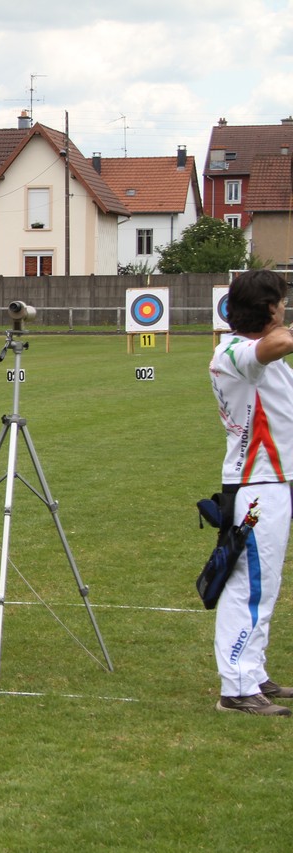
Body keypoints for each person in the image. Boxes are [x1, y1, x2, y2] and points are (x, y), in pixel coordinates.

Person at [207, 268, 293, 716]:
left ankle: (253, 674)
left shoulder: (249, 355)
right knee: (249, 587)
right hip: (257, 486)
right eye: (280, 302)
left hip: (269, 483)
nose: (284, 309)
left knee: (266, 585)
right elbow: (276, 343)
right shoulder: (234, 353)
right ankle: (236, 688)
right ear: (268, 309)